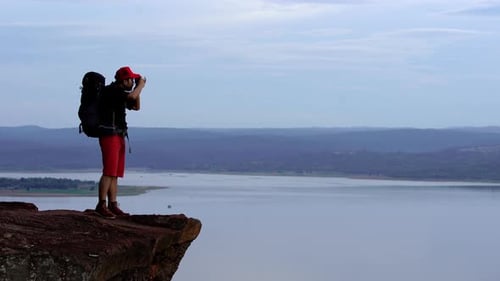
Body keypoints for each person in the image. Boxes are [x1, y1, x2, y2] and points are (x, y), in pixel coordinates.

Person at [94, 66, 147, 218]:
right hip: (109, 135)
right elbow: (131, 98)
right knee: (109, 171)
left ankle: (113, 204)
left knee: (115, 173)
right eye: (131, 79)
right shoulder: (112, 91)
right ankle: (101, 205)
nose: (133, 82)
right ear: (125, 80)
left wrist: (137, 88)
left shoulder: (120, 93)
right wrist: (140, 86)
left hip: (118, 135)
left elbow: (136, 106)